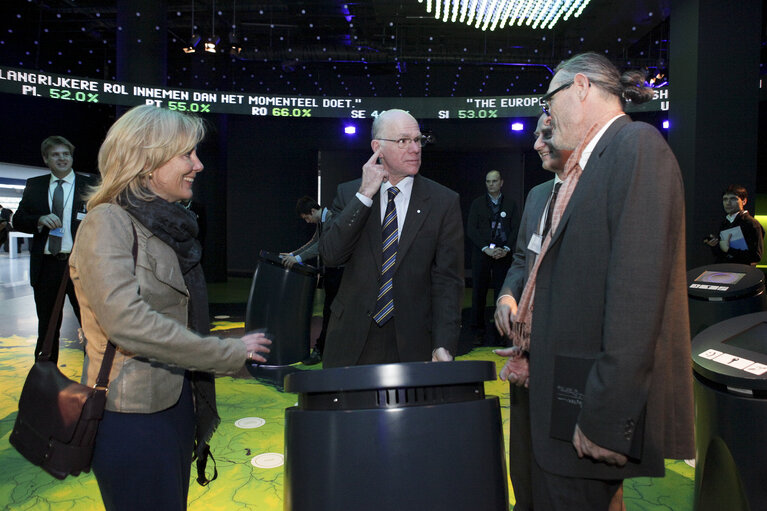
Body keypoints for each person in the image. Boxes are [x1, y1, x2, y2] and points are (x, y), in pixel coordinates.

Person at [495, 53, 694, 510]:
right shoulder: (587, 169)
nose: (547, 117)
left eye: (550, 101)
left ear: (580, 88)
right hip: (563, 402)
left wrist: (606, 419)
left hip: (589, 411)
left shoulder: (636, 146)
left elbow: (636, 300)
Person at [68, 105, 272, 511]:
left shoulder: (161, 227)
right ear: (146, 161)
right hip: (132, 417)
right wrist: (225, 353)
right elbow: (128, 323)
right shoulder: (107, 221)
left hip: (175, 404)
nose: (198, 165)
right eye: (187, 155)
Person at [319, 108, 464, 368]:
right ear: (377, 147)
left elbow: (448, 282)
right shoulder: (350, 193)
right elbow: (331, 254)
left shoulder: (444, 202)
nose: (415, 148)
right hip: (350, 339)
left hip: (413, 343)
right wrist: (364, 195)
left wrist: (444, 343)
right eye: (403, 141)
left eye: (418, 140)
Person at [12, 136, 96, 362]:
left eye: (66, 154)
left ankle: (98, 380)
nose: (62, 158)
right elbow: (18, 220)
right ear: (46, 159)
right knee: (47, 329)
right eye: (56, 155)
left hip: (81, 266)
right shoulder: (35, 185)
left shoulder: (90, 186)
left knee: (91, 326)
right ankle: (45, 379)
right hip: (47, 267)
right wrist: (38, 219)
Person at [280, 195, 344, 365]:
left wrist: (299, 259)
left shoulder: (331, 219)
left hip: (340, 274)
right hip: (333, 272)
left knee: (330, 313)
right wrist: (294, 255)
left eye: (307, 217)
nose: (307, 221)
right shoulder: (323, 221)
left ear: (313, 210)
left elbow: (321, 245)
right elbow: (315, 241)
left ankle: (320, 351)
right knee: (330, 313)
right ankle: (325, 349)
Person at [466, 170, 519, 346]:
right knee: (478, 293)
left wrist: (506, 248)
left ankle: (501, 332)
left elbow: (516, 229)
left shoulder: (510, 204)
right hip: (482, 255)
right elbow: (471, 229)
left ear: (501, 182)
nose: (491, 184)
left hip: (503, 255)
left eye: (494, 181)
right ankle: (477, 332)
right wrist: (484, 248)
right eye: (488, 181)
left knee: (502, 295)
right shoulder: (477, 204)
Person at [704, 184, 765, 265]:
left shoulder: (751, 223)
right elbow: (721, 254)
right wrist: (715, 245)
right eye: (725, 199)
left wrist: (729, 249)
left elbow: (756, 256)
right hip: (725, 270)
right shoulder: (725, 222)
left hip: (742, 272)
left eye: (733, 199)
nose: (728, 203)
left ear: (744, 201)